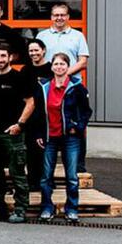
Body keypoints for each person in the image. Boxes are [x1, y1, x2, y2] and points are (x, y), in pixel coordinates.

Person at [0, 43, 34, 223]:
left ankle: (20, 209)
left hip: (12, 134)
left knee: (17, 172)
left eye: (3, 56)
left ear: (10, 57)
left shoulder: (19, 78)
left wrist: (20, 124)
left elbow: (30, 102)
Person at [35, 53, 91, 222]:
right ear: (52, 67)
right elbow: (38, 112)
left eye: (62, 64)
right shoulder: (44, 86)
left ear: (68, 67)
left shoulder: (77, 87)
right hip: (49, 137)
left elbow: (86, 112)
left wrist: (77, 127)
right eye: (56, 64)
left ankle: (72, 209)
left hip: (70, 138)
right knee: (46, 176)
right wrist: (39, 133)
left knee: (72, 176)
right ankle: (47, 207)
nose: (59, 67)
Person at [21, 38, 53, 191]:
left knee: (45, 151)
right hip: (30, 116)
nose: (33, 53)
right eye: (31, 51)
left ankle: (46, 181)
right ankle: (33, 182)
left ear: (43, 50)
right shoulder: (25, 70)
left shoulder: (51, 69)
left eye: (36, 50)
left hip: (46, 116)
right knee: (31, 151)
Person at [36, 3, 89, 77]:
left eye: (62, 15)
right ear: (51, 17)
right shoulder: (41, 36)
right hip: (47, 80)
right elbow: (36, 59)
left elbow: (83, 62)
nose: (59, 18)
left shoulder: (78, 36)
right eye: (56, 15)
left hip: (71, 81)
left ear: (68, 17)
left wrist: (63, 74)